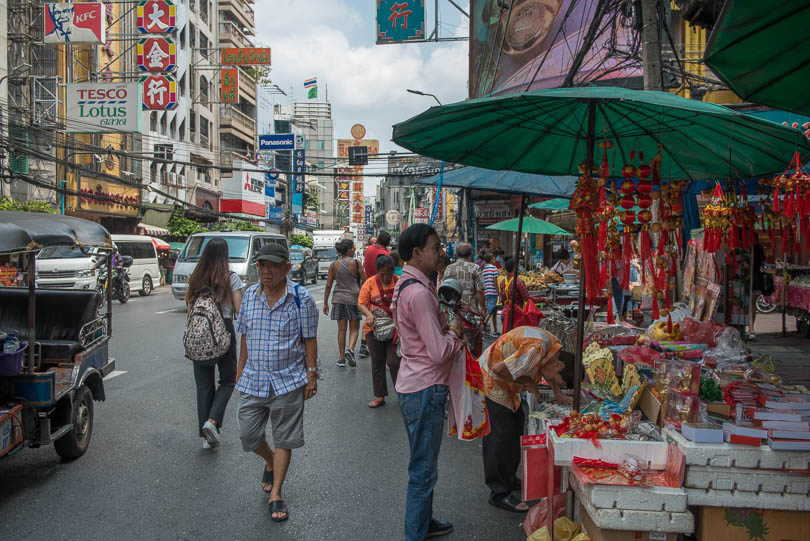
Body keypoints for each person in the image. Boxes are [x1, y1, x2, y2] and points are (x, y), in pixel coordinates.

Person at [235, 243, 319, 522]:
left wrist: (311, 374)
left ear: (287, 267)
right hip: (254, 379)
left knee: (285, 438)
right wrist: (240, 369)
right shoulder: (249, 296)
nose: (265, 271)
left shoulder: (301, 298)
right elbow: (245, 336)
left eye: (272, 265)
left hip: (288, 380)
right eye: (261, 265)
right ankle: (269, 460)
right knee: (248, 435)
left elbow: (309, 339)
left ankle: (277, 493)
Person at [392, 223, 463, 540]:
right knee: (423, 468)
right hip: (425, 387)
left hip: (415, 384)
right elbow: (437, 351)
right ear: (417, 252)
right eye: (435, 247)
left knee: (424, 463)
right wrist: (456, 337)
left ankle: (425, 520)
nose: (441, 253)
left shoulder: (408, 283)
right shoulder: (419, 293)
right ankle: (415, 534)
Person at [479, 326, 571, 513]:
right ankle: (499, 492)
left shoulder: (553, 349)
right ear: (559, 366)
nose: (554, 382)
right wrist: (529, 383)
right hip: (492, 378)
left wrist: (558, 392)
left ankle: (509, 478)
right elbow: (499, 369)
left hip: (507, 383)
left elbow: (549, 373)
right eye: (559, 381)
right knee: (500, 436)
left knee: (515, 429)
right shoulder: (536, 349)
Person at [185, 238, 243, 450]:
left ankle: (205, 437)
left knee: (203, 386)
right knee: (228, 380)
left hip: (198, 332)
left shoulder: (196, 278)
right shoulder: (231, 278)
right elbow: (238, 310)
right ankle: (212, 421)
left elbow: (189, 306)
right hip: (223, 330)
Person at [358, 255, 400, 408]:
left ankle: (402, 393)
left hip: (395, 329)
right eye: (382, 274)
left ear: (392, 271)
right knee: (377, 363)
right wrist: (369, 315)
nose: (386, 277)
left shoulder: (399, 282)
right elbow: (361, 304)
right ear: (378, 272)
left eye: (388, 273)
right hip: (373, 329)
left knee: (395, 362)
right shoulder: (370, 283)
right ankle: (380, 395)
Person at [323, 239, 365, 367]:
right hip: (353, 299)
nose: (354, 250)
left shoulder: (334, 265)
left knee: (341, 330)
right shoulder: (357, 263)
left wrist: (325, 303)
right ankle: (350, 350)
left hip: (338, 299)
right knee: (354, 328)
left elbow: (329, 284)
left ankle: (341, 358)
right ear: (349, 250)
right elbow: (366, 281)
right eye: (353, 248)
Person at [498, 257, 530, 330]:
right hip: (515, 315)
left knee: (508, 339)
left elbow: (502, 299)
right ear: (515, 267)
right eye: (518, 265)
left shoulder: (502, 282)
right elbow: (528, 298)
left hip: (504, 314)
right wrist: (543, 299)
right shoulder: (519, 282)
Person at [480, 252, 500, 336]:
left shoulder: (484, 270)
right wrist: (498, 291)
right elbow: (495, 281)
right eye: (494, 259)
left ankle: (495, 330)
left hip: (486, 292)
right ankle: (482, 325)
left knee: (493, 310)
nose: (495, 260)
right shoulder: (494, 268)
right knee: (490, 311)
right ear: (491, 259)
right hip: (493, 291)